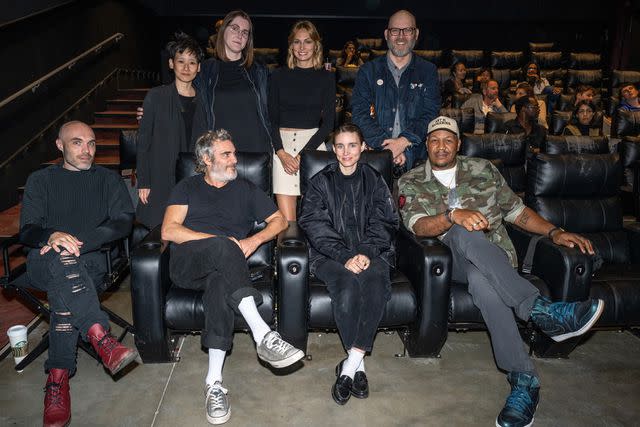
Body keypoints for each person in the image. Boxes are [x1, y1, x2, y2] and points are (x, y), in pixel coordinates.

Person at [398, 115, 604, 427]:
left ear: (459, 144)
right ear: (426, 144)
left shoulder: (484, 170)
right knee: (463, 230)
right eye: (435, 140)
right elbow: (419, 226)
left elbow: (517, 213)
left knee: (484, 282)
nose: (441, 146)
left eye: (448, 140)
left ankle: (524, 380)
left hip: (495, 263)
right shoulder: (410, 180)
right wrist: (453, 216)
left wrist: (555, 233)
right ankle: (539, 309)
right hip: (448, 264)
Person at [162, 129, 304, 425]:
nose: (234, 160)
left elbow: (280, 220)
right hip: (188, 264)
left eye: (234, 153)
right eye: (227, 154)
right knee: (224, 245)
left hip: (223, 270)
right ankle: (263, 334)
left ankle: (214, 383)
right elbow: (169, 230)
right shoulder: (186, 187)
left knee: (219, 286)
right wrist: (219, 242)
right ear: (205, 159)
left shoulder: (246, 189)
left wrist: (254, 241)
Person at [19, 121, 138, 427]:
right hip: (43, 261)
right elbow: (28, 230)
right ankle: (101, 337)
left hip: (93, 261)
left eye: (92, 144)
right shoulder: (39, 180)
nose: (87, 151)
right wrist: (52, 235)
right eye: (77, 143)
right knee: (62, 262)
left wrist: (76, 245)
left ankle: (57, 379)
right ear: (59, 146)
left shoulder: (107, 180)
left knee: (65, 287)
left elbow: (123, 221)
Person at [298, 123, 398, 405]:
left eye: (352, 145)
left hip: (374, 252)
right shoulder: (320, 181)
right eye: (339, 146)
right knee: (347, 288)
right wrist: (344, 256)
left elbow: (386, 220)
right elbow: (313, 224)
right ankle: (360, 367)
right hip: (328, 256)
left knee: (376, 286)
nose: (346, 152)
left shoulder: (375, 179)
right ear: (333, 149)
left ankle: (350, 367)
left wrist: (365, 252)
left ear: (363, 147)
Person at [137, 10, 273, 154]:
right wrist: (155, 109)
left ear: (248, 40)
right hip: (218, 153)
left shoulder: (259, 71)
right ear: (223, 31)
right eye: (234, 28)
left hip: (257, 151)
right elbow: (185, 96)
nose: (240, 35)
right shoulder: (206, 70)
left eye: (245, 32)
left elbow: (277, 105)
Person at [351, 9, 440, 172]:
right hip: (374, 158)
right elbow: (359, 114)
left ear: (416, 34)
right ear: (386, 34)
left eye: (407, 30)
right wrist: (388, 149)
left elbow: (431, 113)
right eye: (395, 30)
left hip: (416, 160)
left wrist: (403, 142)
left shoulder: (428, 71)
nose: (401, 36)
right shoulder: (368, 71)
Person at [136, 32, 208, 229]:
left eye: (192, 62)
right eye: (181, 61)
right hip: (160, 175)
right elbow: (144, 142)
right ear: (171, 64)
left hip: (193, 175)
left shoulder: (205, 101)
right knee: (160, 231)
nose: (186, 67)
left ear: (199, 67)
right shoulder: (155, 96)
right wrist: (144, 181)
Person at [268, 20, 335, 221]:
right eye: (297, 42)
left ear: (316, 45)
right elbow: (271, 119)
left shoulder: (326, 77)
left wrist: (304, 155)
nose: (302, 47)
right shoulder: (277, 76)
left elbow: (329, 123)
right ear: (291, 45)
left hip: (314, 148)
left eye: (307, 41)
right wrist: (281, 153)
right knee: (288, 225)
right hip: (282, 149)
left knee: (316, 221)